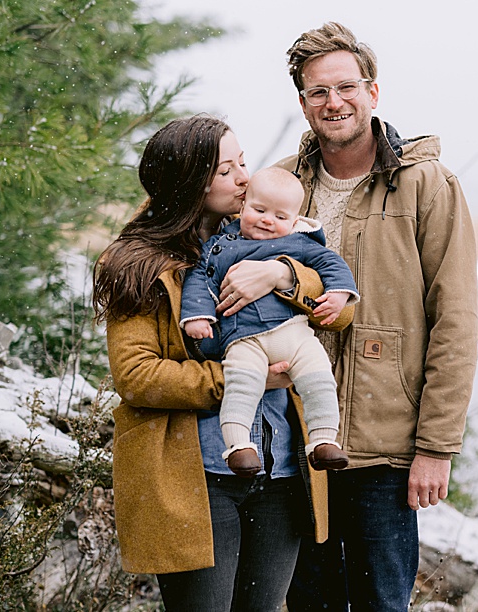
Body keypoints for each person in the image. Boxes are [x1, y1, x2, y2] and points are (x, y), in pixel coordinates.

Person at [93, 115, 346, 611]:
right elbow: (137, 376)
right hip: (196, 478)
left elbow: (340, 308)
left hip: (279, 471)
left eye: (244, 163)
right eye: (226, 170)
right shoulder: (138, 264)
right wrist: (242, 379)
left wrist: (277, 272)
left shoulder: (271, 237)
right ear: (189, 183)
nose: (245, 178)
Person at [275, 23, 478, 611]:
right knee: (305, 601)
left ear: (373, 92)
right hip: (296, 440)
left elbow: (456, 320)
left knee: (379, 603)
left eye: (345, 87)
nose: (333, 102)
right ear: (302, 102)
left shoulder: (427, 184)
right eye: (318, 92)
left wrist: (436, 447)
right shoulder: (284, 184)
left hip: (386, 449)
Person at [180, 167, 359, 477]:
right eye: (259, 210)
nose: (266, 220)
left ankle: (323, 439)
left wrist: (339, 293)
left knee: (318, 376)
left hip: (293, 334)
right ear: (243, 205)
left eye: (279, 217)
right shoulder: (222, 246)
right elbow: (200, 279)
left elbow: (331, 264)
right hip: (243, 337)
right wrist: (197, 315)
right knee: (242, 383)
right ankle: (239, 446)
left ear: (294, 221)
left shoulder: (299, 244)